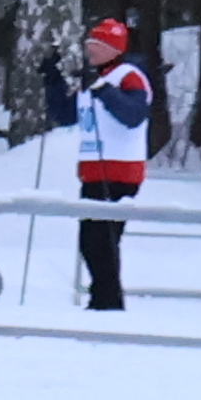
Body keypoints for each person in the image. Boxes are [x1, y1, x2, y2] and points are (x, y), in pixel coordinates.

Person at [67, 15, 156, 309]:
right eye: (89, 44)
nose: (90, 50)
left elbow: (133, 115)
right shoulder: (97, 79)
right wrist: (53, 83)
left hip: (119, 170)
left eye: (97, 45)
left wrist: (104, 90)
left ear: (113, 49)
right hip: (94, 171)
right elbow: (67, 114)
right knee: (92, 241)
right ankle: (103, 298)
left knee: (101, 241)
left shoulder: (128, 75)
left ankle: (107, 301)